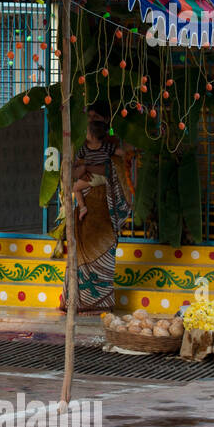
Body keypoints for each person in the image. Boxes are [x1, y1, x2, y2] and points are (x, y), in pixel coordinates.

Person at [60, 117, 134, 312]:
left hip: (103, 214)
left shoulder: (111, 152)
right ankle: (77, 300)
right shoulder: (83, 149)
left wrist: (87, 168)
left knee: (103, 255)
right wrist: (80, 169)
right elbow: (72, 171)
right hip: (85, 217)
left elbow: (114, 168)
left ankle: (100, 301)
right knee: (78, 257)